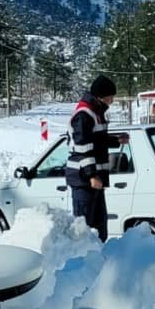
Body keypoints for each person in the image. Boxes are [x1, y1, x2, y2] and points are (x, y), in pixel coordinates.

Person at [66, 75, 119, 241]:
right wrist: (92, 175)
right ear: (101, 96)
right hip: (84, 180)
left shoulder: (96, 112)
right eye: (111, 97)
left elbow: (96, 140)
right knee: (85, 229)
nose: (112, 101)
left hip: (95, 180)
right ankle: (83, 263)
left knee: (99, 227)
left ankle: (99, 260)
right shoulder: (84, 114)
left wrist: (116, 140)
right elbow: (83, 148)